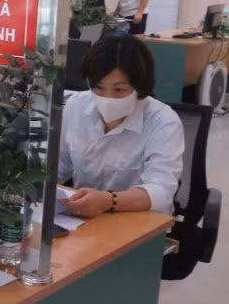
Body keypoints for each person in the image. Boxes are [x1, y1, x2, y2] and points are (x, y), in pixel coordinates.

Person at [58, 35, 184, 217]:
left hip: (138, 219)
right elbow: (60, 163)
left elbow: (161, 192)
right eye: (99, 88)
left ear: (140, 86)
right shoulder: (76, 106)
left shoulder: (163, 122)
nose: (108, 98)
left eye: (119, 90)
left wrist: (107, 200)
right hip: (84, 216)